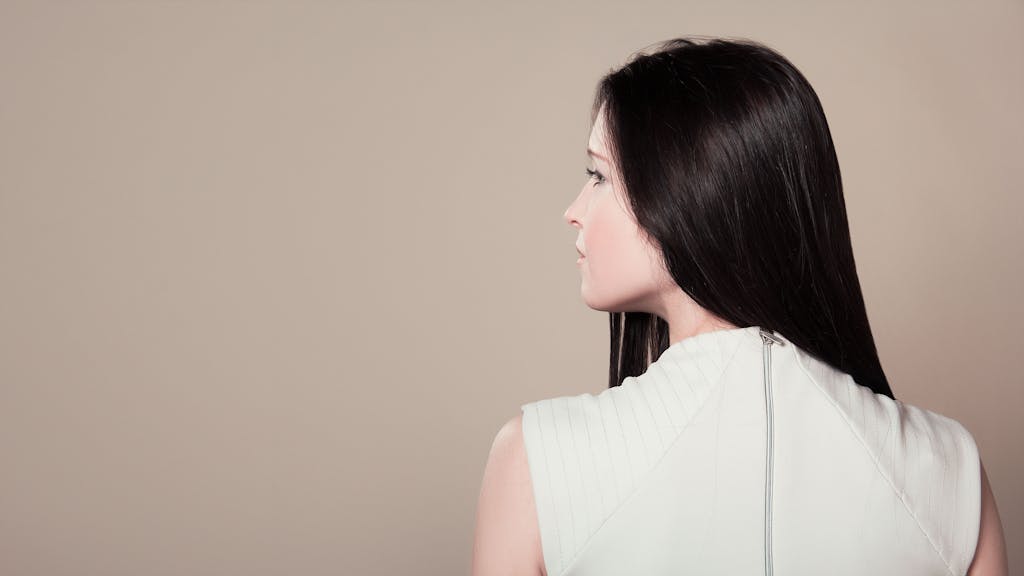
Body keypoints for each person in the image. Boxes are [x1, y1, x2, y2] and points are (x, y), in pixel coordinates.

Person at [471, 37, 1008, 576]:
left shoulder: (537, 459)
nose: (573, 211)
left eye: (599, 175)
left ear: (686, 193)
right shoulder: (952, 469)